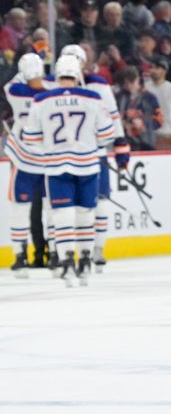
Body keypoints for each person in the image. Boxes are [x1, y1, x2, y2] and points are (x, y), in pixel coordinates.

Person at [22, 55, 115, 286]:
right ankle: (85, 259)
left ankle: (66, 261)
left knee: (62, 215)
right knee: (85, 214)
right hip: (87, 165)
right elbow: (106, 135)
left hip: (55, 166)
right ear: (77, 74)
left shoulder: (41, 100)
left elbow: (30, 137)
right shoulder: (92, 97)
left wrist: (50, 146)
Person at [59, 44, 129, 271]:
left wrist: (120, 145)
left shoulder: (97, 84)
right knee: (67, 208)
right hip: (70, 157)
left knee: (98, 203)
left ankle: (96, 248)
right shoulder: (61, 86)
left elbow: (112, 114)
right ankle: (66, 251)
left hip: (92, 155)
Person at [3, 53, 49, 277]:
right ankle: (55, 253)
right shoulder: (51, 94)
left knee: (21, 209)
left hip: (22, 156)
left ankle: (21, 254)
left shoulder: (14, 91)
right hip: (48, 157)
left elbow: (11, 83)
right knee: (52, 208)